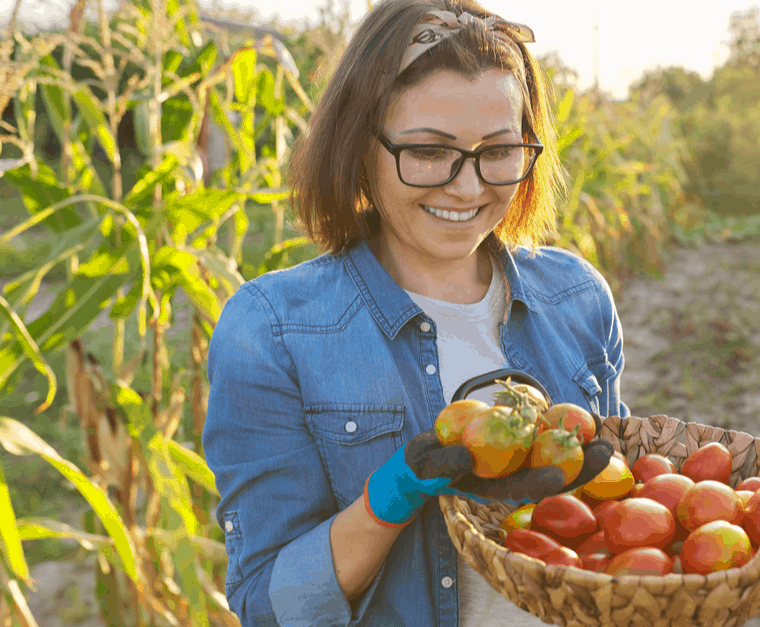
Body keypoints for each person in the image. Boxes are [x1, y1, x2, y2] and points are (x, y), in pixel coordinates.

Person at [201, 1, 631, 625]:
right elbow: (268, 605)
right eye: (429, 152)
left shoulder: (578, 299)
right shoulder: (273, 331)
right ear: (360, 147)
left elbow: (613, 528)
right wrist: (391, 497)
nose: (467, 187)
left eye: (500, 150)